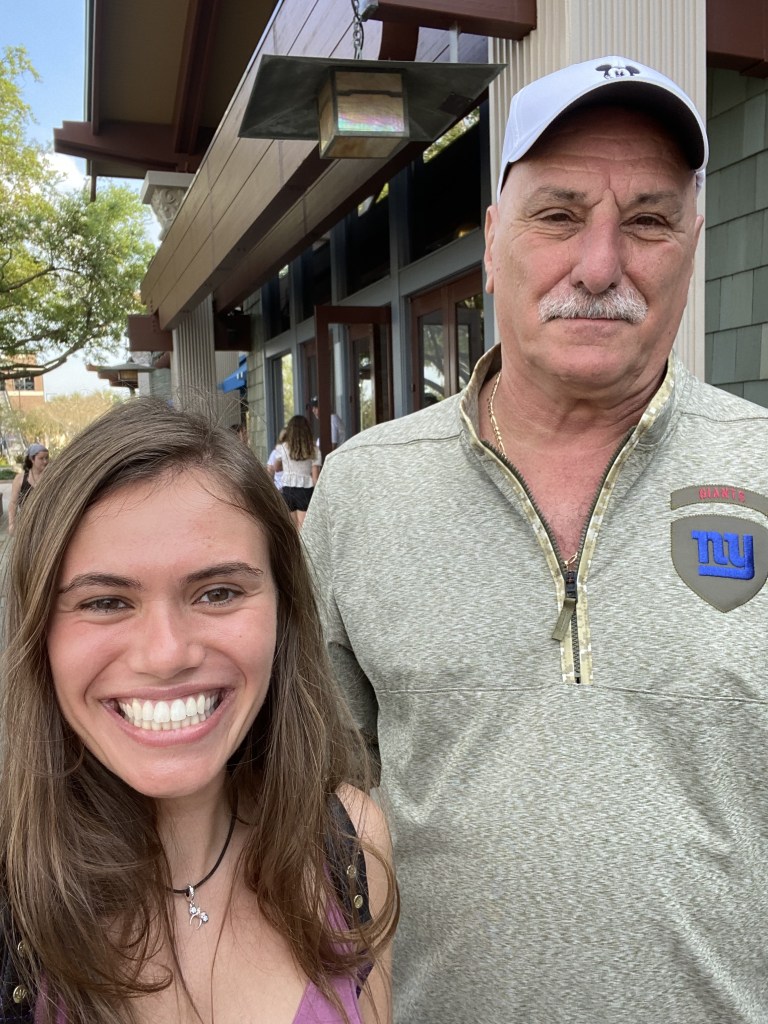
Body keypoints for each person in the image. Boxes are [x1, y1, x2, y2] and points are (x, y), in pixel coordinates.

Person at [303, 56, 768, 1023]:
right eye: (558, 215)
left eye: (648, 221)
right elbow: (314, 794)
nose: (599, 266)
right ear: (491, 243)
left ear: (693, 245)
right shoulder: (364, 490)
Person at [0, 399, 397, 1024]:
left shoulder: (348, 842)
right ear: (38, 632)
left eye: (218, 593)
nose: (166, 655)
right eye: (105, 602)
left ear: (284, 613)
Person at [274, 414, 322, 529]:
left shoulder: (283, 447)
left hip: (287, 489)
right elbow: (315, 478)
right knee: (303, 529)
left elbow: (276, 467)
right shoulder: (313, 449)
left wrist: (287, 465)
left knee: (292, 529)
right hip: (305, 490)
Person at [7, 442, 49, 534]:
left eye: (47, 458)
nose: (45, 461)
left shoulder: (51, 477)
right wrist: (11, 523)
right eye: (41, 458)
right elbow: (13, 503)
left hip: (47, 525)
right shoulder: (20, 479)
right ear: (32, 459)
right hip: (26, 526)